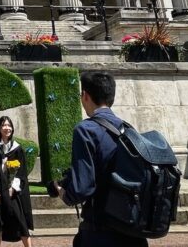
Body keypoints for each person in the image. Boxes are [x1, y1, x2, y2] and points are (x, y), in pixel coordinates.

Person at [49, 71, 147, 247]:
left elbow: (81, 189)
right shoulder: (128, 128)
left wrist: (61, 190)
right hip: (133, 227)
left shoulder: (85, 129)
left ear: (85, 95)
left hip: (101, 230)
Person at [0, 116, 33, 247]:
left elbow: (22, 171)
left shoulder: (17, 148)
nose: (7, 128)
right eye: (4, 125)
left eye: (9, 125)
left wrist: (14, 187)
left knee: (20, 220)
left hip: (12, 191)